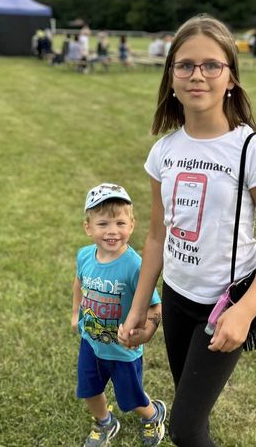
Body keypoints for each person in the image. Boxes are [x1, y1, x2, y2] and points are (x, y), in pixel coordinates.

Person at [118, 14, 256, 446]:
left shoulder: (252, 148)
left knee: (184, 427)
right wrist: (141, 307)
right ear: (171, 77)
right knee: (190, 407)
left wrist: (245, 311)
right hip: (177, 298)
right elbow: (156, 236)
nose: (197, 75)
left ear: (230, 77)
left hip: (225, 303)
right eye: (185, 65)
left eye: (211, 65)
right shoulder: (164, 151)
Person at [73, 183, 167, 447]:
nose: (112, 231)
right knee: (89, 389)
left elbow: (155, 307)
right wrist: (75, 312)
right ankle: (105, 421)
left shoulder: (135, 266)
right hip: (91, 342)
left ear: (132, 225)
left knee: (131, 398)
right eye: (103, 224)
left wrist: (144, 332)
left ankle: (153, 414)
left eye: (120, 223)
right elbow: (79, 282)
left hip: (123, 351)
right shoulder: (84, 256)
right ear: (88, 227)